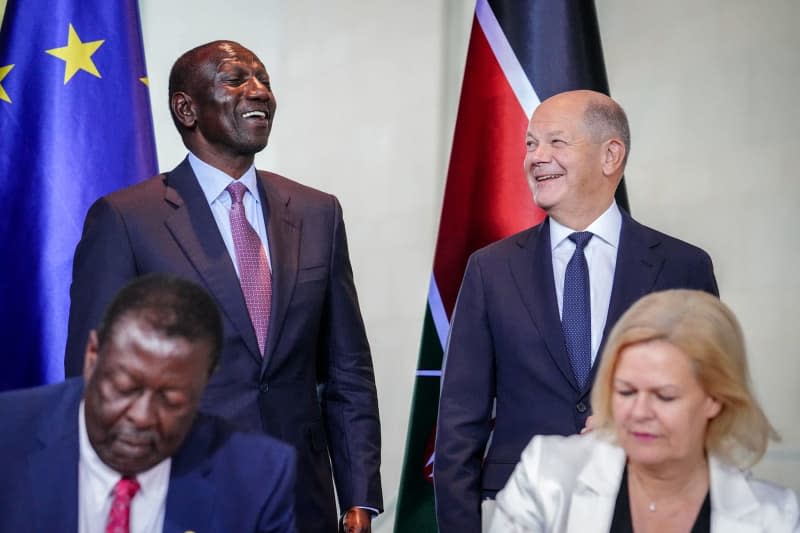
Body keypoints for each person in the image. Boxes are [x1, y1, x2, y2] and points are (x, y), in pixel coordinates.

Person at [64, 40, 382, 533]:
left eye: (264, 80)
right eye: (235, 80)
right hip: (182, 495)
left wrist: (359, 495)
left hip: (303, 499)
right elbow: (95, 378)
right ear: (186, 108)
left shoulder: (319, 213)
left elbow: (348, 370)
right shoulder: (127, 219)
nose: (259, 91)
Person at [434, 90, 720, 532]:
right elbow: (458, 423)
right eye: (530, 143)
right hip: (516, 511)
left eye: (556, 142)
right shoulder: (490, 269)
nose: (536, 157)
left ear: (611, 155)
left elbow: (711, 399)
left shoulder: (683, 266)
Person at [0, 274, 297, 532]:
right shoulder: (8, 435)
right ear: (92, 357)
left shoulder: (256, 477)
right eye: (125, 388)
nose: (142, 417)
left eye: (172, 400)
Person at [489, 289, 800, 532]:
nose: (639, 411)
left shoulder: (776, 518)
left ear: (715, 399)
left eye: (664, 396)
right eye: (625, 391)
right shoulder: (547, 474)